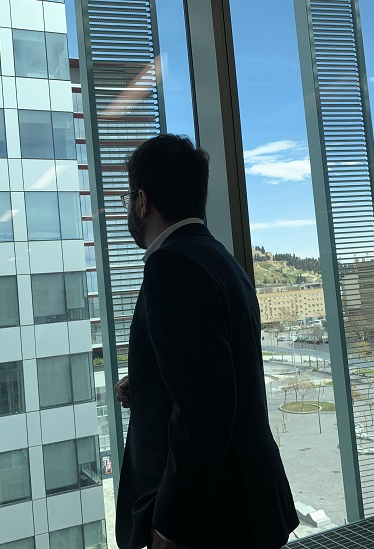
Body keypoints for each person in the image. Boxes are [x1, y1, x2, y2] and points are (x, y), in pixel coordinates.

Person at [114, 134, 299, 549]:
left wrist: (171, 524)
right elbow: (219, 371)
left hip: (211, 518)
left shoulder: (171, 266)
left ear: (142, 201)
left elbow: (206, 408)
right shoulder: (221, 259)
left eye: (129, 199)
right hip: (247, 503)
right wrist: (149, 384)